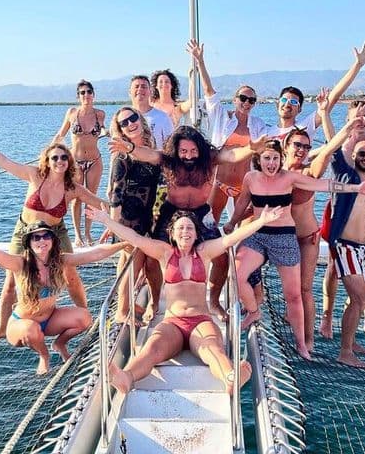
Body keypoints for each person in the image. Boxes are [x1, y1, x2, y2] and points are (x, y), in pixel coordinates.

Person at [86, 204, 286, 395]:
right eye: (180, 227)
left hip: (200, 321)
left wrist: (261, 221)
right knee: (152, 348)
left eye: (190, 227)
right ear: (172, 233)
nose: (185, 231)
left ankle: (231, 378)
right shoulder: (164, 253)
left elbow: (231, 239)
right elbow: (135, 238)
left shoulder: (204, 252)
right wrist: (106, 220)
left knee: (213, 349)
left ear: (197, 233)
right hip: (172, 322)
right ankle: (126, 378)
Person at [225, 139, 365, 360]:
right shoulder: (251, 178)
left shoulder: (289, 178)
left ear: (281, 160)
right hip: (258, 236)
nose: (271, 163)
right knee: (238, 275)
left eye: (275, 159)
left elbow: (325, 185)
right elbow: (242, 203)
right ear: (259, 160)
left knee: (294, 295)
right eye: (267, 158)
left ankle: (301, 344)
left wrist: (356, 188)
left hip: (284, 237)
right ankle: (253, 310)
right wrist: (231, 223)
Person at [0, 135, 109, 346]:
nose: (60, 161)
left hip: (55, 232)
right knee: (10, 282)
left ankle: (85, 315)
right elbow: (4, 162)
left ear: (69, 162)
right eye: (55, 157)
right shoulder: (34, 175)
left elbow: (102, 204)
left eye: (64, 157)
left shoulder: (72, 188)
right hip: (25, 232)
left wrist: (124, 212)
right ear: (47, 160)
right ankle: (1, 328)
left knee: (71, 273)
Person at [108, 125, 266, 320]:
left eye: (193, 151)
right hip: (171, 213)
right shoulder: (168, 159)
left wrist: (252, 148)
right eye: (183, 151)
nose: (189, 156)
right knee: (151, 259)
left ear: (200, 149)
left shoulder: (210, 158)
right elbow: (148, 154)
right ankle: (155, 301)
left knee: (222, 258)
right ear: (176, 150)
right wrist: (130, 148)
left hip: (201, 213)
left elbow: (232, 155)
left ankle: (214, 302)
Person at [0, 213, 128, 374]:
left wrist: (127, 243)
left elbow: (94, 254)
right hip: (21, 325)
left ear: (53, 239)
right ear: (29, 243)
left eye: (46, 235)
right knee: (31, 329)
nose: (41, 240)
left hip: (49, 320)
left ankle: (59, 343)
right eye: (36, 238)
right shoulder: (20, 264)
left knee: (84, 317)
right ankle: (44, 355)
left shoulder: (61, 261)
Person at [187, 40, 273, 315]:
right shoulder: (221, 118)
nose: (247, 103)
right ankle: (203, 295)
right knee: (206, 237)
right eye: (242, 98)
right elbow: (210, 93)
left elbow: (287, 134)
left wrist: (322, 116)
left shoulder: (260, 126)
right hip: (218, 185)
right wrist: (200, 60)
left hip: (244, 190)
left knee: (244, 241)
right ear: (235, 101)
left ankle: (247, 292)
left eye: (251, 100)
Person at [282, 111, 364, 353]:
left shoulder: (309, 172)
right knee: (290, 291)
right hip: (281, 238)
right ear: (286, 145)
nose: (302, 150)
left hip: (307, 238)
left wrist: (349, 125)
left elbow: (328, 150)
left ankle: (308, 341)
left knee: (304, 289)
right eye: (297, 144)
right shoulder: (273, 169)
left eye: (306, 147)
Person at [318, 98, 365, 344]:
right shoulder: (343, 146)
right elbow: (330, 143)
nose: (362, 119)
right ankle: (328, 316)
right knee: (334, 266)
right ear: (349, 119)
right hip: (340, 208)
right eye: (356, 116)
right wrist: (323, 111)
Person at [323, 134, 365, 368]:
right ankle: (345, 352)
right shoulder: (345, 176)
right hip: (346, 246)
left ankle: (350, 341)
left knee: (360, 300)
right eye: (362, 154)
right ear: (353, 156)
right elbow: (334, 145)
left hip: (364, 250)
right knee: (358, 299)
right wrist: (324, 113)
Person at [105, 106, 162, 322]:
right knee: (133, 262)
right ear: (119, 130)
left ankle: (148, 304)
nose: (130, 124)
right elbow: (116, 193)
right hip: (129, 218)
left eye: (133, 118)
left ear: (140, 119)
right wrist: (114, 225)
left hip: (148, 217)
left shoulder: (150, 147)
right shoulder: (122, 157)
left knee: (147, 263)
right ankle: (122, 311)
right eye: (124, 123)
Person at [269, 41, 365, 138]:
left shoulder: (304, 128)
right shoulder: (265, 133)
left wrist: (358, 65)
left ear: (300, 109)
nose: (287, 104)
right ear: (277, 104)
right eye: (284, 100)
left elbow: (333, 97)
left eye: (293, 102)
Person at [53, 80, 106, 246]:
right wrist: (50, 152)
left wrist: (109, 133)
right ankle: (77, 236)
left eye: (89, 92)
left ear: (93, 95)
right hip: (75, 162)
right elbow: (61, 134)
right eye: (82, 92)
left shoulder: (100, 114)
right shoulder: (72, 113)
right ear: (78, 96)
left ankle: (88, 234)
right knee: (76, 198)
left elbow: (104, 129)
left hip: (95, 161)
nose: (86, 95)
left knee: (91, 198)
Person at [129, 75, 173, 151]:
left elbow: (171, 148)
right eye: (136, 86)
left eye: (143, 87)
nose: (140, 89)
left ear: (150, 91)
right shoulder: (123, 118)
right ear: (130, 92)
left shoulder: (163, 117)